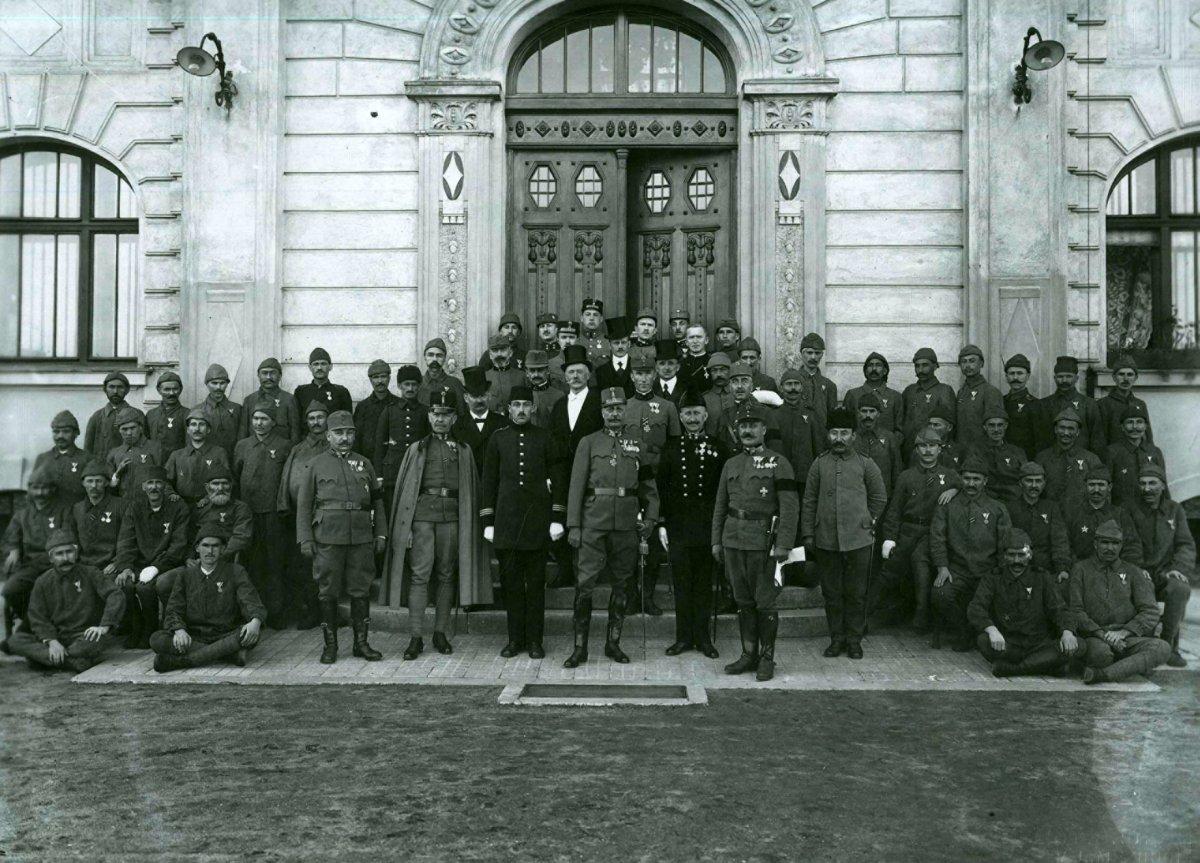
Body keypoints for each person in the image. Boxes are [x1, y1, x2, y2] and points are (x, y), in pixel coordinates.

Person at [386, 390, 491, 660]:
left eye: (446, 414)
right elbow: (406, 492)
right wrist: (407, 528)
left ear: (454, 418)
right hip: (422, 518)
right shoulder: (416, 449)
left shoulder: (464, 450)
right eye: (435, 413)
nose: (440, 419)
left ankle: (440, 633)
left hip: (452, 519)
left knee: (446, 574)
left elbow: (471, 490)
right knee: (420, 575)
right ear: (429, 416)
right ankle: (416, 636)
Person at [563, 387, 660, 668]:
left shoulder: (637, 445)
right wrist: (573, 525)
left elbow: (648, 485)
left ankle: (613, 644)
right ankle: (580, 648)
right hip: (593, 523)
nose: (614, 413)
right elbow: (576, 486)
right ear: (602, 412)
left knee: (622, 585)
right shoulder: (588, 442)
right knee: (585, 585)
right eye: (609, 409)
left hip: (626, 525)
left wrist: (651, 518)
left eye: (619, 408)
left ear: (625, 410)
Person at [712, 402, 798, 680]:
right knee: (743, 601)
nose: (747, 431)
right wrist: (716, 541)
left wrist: (784, 544)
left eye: (753, 425)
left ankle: (766, 658)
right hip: (733, 540)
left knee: (765, 602)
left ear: (764, 430)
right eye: (743, 426)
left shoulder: (779, 463)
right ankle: (748, 654)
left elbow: (790, 507)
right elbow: (720, 505)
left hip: (764, 543)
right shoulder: (731, 464)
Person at [480, 386, 566, 658]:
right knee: (512, 586)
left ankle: (535, 641)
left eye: (525, 405)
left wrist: (556, 518)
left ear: (533, 408)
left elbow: (558, 479)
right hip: (506, 525)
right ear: (508, 409)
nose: (521, 410)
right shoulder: (498, 438)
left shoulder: (545, 437)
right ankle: (515, 639)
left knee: (536, 586)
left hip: (537, 524)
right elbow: (488, 481)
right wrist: (488, 520)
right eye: (516, 405)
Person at [296, 410, 387, 664]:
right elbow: (304, 505)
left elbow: (377, 502)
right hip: (327, 537)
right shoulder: (315, 465)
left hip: (360, 537)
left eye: (349, 433)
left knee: (361, 589)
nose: (344, 438)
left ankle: (361, 643)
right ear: (328, 436)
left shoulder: (365, 463)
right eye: (338, 433)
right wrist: (305, 538)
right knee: (328, 590)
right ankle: (331, 646)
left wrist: (380, 533)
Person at [802, 407, 888, 661]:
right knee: (832, 593)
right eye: (834, 433)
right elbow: (809, 500)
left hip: (859, 540)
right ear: (828, 435)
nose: (839, 438)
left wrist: (867, 520)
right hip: (826, 539)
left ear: (853, 435)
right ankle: (836, 639)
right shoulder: (819, 464)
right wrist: (808, 534)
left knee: (856, 594)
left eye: (844, 433)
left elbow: (879, 497)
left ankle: (854, 640)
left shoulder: (865, 463)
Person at [657, 389, 727, 657]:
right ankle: (683, 637)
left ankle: (703, 638)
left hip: (708, 527)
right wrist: (662, 523)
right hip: (679, 528)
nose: (693, 418)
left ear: (706, 415)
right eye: (687, 414)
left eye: (697, 413)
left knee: (704, 584)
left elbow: (724, 492)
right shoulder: (671, 447)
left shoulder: (719, 448)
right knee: (682, 583)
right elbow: (662, 488)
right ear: (680, 417)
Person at [0, 530, 125, 672]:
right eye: (59, 554)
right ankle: (73, 662)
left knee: (97, 640)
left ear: (76, 553)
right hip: (57, 636)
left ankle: (48, 659)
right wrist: (52, 641)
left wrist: (104, 626)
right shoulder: (43, 582)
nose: (65, 558)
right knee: (16, 640)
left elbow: (115, 594)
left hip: (84, 635)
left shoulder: (91, 573)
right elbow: (37, 617)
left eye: (69, 552)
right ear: (51, 558)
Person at [967, 528, 1083, 677]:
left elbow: (1059, 609)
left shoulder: (1042, 577)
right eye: (1011, 555)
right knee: (983, 641)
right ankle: (1047, 667)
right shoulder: (993, 578)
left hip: (1039, 644)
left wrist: (1067, 632)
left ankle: (1013, 669)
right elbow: (976, 608)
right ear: (1004, 556)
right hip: (1008, 644)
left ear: (1030, 555)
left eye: (1021, 555)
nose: (1016, 561)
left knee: (1080, 645)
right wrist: (992, 630)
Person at [1068, 519, 1171, 684]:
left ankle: (1101, 675)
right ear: (1095, 544)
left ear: (1121, 545)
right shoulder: (1080, 569)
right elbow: (1076, 610)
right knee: (1101, 654)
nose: (1110, 548)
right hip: (1094, 637)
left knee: (1162, 648)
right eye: (1105, 542)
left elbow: (1150, 611)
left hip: (1126, 638)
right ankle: (1126, 667)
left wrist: (1123, 633)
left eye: (1115, 543)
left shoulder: (1133, 572)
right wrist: (1102, 634)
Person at [150, 529, 267, 672]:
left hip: (226, 633)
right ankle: (229, 654)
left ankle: (181, 662)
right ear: (197, 548)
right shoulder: (185, 575)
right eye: (205, 545)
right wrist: (179, 630)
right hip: (194, 635)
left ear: (223, 549)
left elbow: (250, 600)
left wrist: (255, 621)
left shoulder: (236, 571)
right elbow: (174, 608)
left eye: (215, 546)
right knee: (156, 639)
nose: (210, 551)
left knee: (249, 634)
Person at [879, 427, 961, 630]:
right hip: (909, 531)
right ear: (916, 450)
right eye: (923, 446)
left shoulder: (950, 475)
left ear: (940, 449)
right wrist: (889, 538)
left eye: (932, 446)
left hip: (934, 533)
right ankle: (867, 615)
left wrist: (954, 490)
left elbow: (968, 488)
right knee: (889, 572)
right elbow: (895, 510)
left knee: (921, 566)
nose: (928, 450)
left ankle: (921, 614)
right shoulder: (906, 476)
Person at [929, 454, 1011, 650]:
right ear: (961, 479)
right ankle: (963, 629)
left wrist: (1001, 572)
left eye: (976, 479)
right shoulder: (948, 506)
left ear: (985, 481)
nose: (971, 484)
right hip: (958, 570)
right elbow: (937, 537)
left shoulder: (997, 508)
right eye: (967, 478)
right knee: (940, 594)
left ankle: (980, 631)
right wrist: (942, 567)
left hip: (987, 571)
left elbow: (1005, 545)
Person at [623, 353, 682, 615]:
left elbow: (675, 447)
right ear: (632, 375)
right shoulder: (623, 406)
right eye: (639, 373)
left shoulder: (667, 407)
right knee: (628, 540)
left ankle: (647, 595)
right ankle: (630, 595)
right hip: (629, 479)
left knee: (653, 539)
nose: (644, 378)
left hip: (657, 480)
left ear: (654, 375)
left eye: (648, 373)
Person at [112, 466, 191, 646]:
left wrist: (156, 567)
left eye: (158, 483)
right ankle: (136, 626)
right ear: (143, 487)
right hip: (139, 564)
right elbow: (126, 540)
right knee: (125, 584)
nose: (154, 487)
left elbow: (178, 545)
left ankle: (151, 627)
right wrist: (126, 567)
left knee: (145, 588)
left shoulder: (178, 507)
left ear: (165, 486)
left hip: (167, 563)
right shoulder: (135, 507)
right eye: (150, 483)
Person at [233, 400, 293, 627]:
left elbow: (287, 479)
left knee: (275, 563)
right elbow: (236, 476)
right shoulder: (242, 445)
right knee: (252, 563)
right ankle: (253, 613)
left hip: (274, 514)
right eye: (255, 419)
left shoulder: (284, 446)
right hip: (249, 514)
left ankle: (277, 613)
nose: (259, 423)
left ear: (273, 422)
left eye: (264, 419)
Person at [1127, 462, 1193, 667]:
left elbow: (1185, 544)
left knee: (1180, 588)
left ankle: (1168, 644)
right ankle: (1145, 646)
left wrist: (1177, 569)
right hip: (1138, 572)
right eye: (1143, 483)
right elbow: (1128, 544)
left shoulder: (1175, 510)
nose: (1147, 489)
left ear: (1163, 485)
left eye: (1152, 483)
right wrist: (1137, 569)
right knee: (1142, 590)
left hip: (1165, 572)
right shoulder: (1129, 510)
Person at [547, 343, 602, 588]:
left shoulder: (598, 401)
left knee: (588, 520)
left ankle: (590, 572)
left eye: (580, 371)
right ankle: (565, 570)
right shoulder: (559, 405)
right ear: (565, 377)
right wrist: (550, 473)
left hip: (592, 471)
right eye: (571, 372)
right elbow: (552, 440)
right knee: (560, 517)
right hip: (562, 472)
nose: (576, 376)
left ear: (588, 375)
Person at [276, 398, 330, 630]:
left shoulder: (334, 446)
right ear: (306, 422)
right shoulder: (298, 449)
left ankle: (328, 611)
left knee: (327, 563)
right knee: (304, 565)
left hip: (328, 516)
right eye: (311, 418)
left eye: (320, 417)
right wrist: (284, 506)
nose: (316, 422)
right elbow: (286, 479)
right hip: (302, 515)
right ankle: (309, 610)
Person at [2, 467, 72, 638]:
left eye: (44, 488)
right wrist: (13, 550)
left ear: (52, 489)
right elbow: (11, 537)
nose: (40, 493)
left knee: (52, 590)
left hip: (56, 565)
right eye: (35, 488)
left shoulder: (63, 511)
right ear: (30, 489)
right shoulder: (22, 515)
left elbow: (68, 537)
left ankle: (30, 629)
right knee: (10, 590)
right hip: (30, 566)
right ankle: (34, 624)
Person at [1005, 461, 1072, 594]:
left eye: (1038, 481)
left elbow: (1059, 540)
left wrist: (1062, 568)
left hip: (1046, 569)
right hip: (1018, 567)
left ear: (1044, 483)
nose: (1034, 485)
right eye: (1029, 481)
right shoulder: (1010, 508)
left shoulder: (1051, 508)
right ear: (1020, 483)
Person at [374, 365, 431, 513]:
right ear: (399, 386)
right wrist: (379, 476)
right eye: (406, 384)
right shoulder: (389, 410)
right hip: (392, 472)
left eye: (414, 384)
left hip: (417, 470)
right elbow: (380, 445)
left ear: (419, 386)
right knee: (391, 511)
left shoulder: (425, 411)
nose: (410, 388)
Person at [1065, 467, 1142, 569]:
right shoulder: (1073, 514)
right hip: (1082, 570)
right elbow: (1065, 546)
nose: (1096, 490)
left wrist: (1124, 569)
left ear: (1109, 487)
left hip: (1114, 570)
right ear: (1085, 486)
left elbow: (1132, 547)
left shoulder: (1120, 514)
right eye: (1092, 485)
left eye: (1101, 485)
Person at [1036, 407, 1105, 518]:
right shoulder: (1042, 458)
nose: (1066, 433)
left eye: (1071, 429)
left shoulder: (1091, 459)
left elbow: (1103, 493)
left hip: (1083, 518)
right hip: (1051, 517)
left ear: (1077, 432)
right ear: (1055, 429)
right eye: (1062, 428)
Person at [1035, 356, 1105, 456]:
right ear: (1054, 378)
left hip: (1081, 460)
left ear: (1076, 378)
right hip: (1052, 460)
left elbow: (1097, 439)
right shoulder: (1044, 404)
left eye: (1069, 376)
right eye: (1060, 377)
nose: (1064, 380)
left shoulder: (1089, 404)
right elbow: (1040, 439)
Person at [163, 406, 230, 505]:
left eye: (201, 424)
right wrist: (172, 494)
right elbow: (165, 480)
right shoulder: (177, 455)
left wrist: (208, 499)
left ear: (208, 429)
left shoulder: (219, 453)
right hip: (182, 505)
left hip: (210, 505)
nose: (197, 429)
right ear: (188, 430)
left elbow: (227, 481)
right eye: (193, 424)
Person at [189, 463, 253, 565]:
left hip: (226, 561)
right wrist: (188, 558)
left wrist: (216, 558)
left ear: (231, 486)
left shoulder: (240, 508)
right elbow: (190, 535)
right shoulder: (200, 508)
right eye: (215, 484)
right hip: (198, 561)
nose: (220, 488)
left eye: (225, 483)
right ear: (207, 487)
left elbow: (241, 538)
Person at [1105, 402, 1165, 507]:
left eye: (1139, 422)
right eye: (1129, 422)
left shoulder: (1154, 451)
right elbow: (1106, 487)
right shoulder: (1112, 452)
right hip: (1122, 512)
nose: (1135, 427)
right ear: (1122, 427)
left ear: (1146, 426)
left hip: (1150, 511)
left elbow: (1163, 486)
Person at [900, 348, 956, 457]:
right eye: (917, 366)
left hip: (934, 452)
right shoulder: (909, 391)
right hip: (909, 451)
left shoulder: (944, 390)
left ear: (935, 366)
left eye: (925, 365)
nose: (920, 370)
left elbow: (950, 427)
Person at [72, 460, 125, 573]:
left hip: (110, 566)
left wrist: (117, 562)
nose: (94, 486)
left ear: (106, 483)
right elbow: (73, 540)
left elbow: (127, 538)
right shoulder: (77, 508)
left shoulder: (120, 505)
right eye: (89, 481)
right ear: (83, 483)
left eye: (98, 481)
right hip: (83, 565)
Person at [32, 411, 89, 508]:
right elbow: (34, 492)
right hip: (49, 514)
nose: (60, 436)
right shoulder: (42, 459)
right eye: (56, 432)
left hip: (76, 514)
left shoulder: (87, 459)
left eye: (66, 431)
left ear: (76, 433)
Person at [843, 352, 903, 443]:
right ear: (865, 371)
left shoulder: (895, 396)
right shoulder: (853, 395)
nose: (874, 369)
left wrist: (890, 445)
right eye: (870, 365)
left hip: (885, 448)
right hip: (858, 447)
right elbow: (845, 425)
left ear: (885, 371)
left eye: (878, 365)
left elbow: (900, 429)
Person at [954, 344, 1004, 453]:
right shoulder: (961, 392)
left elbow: (996, 428)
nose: (967, 365)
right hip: (962, 450)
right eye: (964, 362)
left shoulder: (990, 391)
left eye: (972, 361)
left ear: (981, 363)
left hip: (983, 452)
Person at [455, 366, 510, 466]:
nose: (479, 401)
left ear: (489, 395)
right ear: (466, 398)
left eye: (483, 395)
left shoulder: (503, 423)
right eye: (475, 396)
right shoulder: (457, 426)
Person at [84, 371, 146, 459]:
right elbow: (88, 449)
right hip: (104, 464)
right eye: (111, 387)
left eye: (120, 387)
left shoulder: (138, 414)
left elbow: (145, 444)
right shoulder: (97, 417)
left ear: (127, 390)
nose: (115, 391)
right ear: (105, 389)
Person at [241, 357, 302, 444]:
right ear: (258, 376)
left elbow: (295, 432)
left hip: (281, 449)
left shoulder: (289, 399)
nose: (268, 377)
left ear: (280, 376)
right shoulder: (250, 400)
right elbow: (243, 432)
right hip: (254, 449)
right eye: (264, 373)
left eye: (273, 373)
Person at [852, 391, 902, 498]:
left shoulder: (889, 438)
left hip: (883, 497)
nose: (868, 415)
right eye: (864, 411)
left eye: (872, 411)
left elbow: (896, 472)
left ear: (878, 413)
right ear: (858, 413)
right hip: (856, 497)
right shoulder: (851, 438)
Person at [106, 407, 163, 498]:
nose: (129, 433)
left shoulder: (155, 448)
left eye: (133, 428)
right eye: (124, 429)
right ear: (119, 431)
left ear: (140, 428)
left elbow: (164, 480)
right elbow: (109, 487)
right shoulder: (114, 453)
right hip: (123, 503)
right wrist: (117, 473)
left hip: (149, 502)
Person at [972, 409, 1026, 505]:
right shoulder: (976, 451)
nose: (996, 430)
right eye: (991, 425)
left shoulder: (1017, 452)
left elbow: (1025, 477)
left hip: (1014, 500)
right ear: (985, 427)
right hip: (985, 501)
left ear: (1006, 426)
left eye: (1000, 425)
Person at [1098, 355, 1154, 446]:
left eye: (1130, 374)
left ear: (1135, 378)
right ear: (1114, 377)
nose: (1125, 379)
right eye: (1121, 374)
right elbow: (1100, 439)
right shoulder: (1103, 404)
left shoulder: (1140, 404)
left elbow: (1147, 436)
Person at [353, 359, 398, 465]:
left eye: (383, 376)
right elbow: (357, 438)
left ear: (389, 378)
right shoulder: (362, 407)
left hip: (393, 462)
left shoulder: (398, 404)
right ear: (370, 380)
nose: (380, 381)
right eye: (376, 377)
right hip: (368, 462)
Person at [195, 364, 243, 455]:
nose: (218, 387)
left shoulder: (237, 409)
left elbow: (242, 438)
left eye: (222, 383)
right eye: (214, 383)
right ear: (207, 384)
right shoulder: (197, 410)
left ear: (227, 384)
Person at [795, 332, 837, 431]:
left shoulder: (829, 385)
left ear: (822, 355)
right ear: (802, 354)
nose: (813, 357)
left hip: (821, 435)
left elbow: (832, 417)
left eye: (817, 353)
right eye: (809, 353)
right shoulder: (792, 382)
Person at [294, 347, 353, 416]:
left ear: (330, 366)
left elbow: (347, 420)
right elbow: (296, 419)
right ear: (310, 367)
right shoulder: (301, 392)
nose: (319, 368)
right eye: (316, 364)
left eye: (323, 364)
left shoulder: (341, 392)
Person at [1002, 354, 1039, 459]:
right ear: (1006, 377)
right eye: (1011, 373)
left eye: (1020, 373)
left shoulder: (1036, 404)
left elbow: (1039, 440)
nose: (1015, 378)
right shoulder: (1000, 401)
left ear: (1028, 376)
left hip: (1026, 458)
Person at [146, 371, 188, 455]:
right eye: (167, 389)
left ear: (180, 389)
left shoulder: (187, 414)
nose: (171, 393)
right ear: (159, 390)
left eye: (175, 389)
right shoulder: (151, 414)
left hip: (178, 460)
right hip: (155, 460)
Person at [417, 338, 465, 406]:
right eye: (430, 355)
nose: (435, 359)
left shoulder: (455, 384)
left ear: (444, 358)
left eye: (439, 355)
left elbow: (461, 410)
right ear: (425, 357)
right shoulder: (418, 383)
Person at [593, 316, 634, 395]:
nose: (620, 346)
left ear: (629, 344)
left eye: (623, 342)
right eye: (616, 343)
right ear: (609, 345)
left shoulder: (637, 366)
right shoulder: (601, 371)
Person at [524, 349, 563, 428]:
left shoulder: (559, 396)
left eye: (540, 370)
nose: (536, 374)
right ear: (527, 373)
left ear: (548, 370)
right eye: (532, 371)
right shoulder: (522, 395)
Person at [483, 337, 525, 409]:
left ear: (510, 353)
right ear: (490, 355)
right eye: (495, 350)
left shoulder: (522, 376)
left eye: (503, 350)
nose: (499, 354)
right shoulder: (484, 377)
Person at [701, 353, 735, 433]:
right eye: (714, 370)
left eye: (723, 369)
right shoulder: (704, 399)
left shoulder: (737, 395)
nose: (718, 374)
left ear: (730, 371)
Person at [679, 324, 711, 392]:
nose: (695, 341)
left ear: (706, 340)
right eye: (691, 337)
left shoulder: (712, 361)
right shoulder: (680, 362)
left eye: (699, 337)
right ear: (686, 342)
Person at [579, 298, 611, 366]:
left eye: (595, 315)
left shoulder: (609, 341)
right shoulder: (575, 340)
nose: (591, 318)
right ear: (581, 318)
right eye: (588, 314)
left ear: (601, 319)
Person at [653, 338, 684, 405]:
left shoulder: (687, 388)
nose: (666, 368)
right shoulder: (650, 388)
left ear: (678, 367)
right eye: (662, 363)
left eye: (671, 363)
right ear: (656, 367)